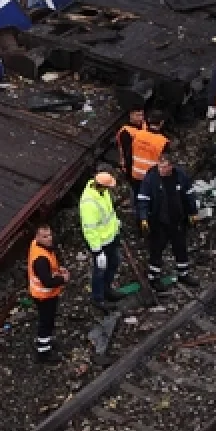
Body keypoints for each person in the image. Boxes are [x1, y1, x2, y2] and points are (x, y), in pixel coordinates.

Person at [136, 152, 200, 289]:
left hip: (177, 220)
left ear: (171, 166)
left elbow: (189, 194)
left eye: (164, 167)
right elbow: (143, 199)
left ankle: (183, 274)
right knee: (157, 249)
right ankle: (153, 278)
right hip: (159, 222)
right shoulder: (151, 179)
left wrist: (193, 212)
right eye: (160, 166)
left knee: (180, 248)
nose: (162, 170)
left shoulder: (180, 176)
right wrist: (143, 218)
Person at [80, 171, 123, 312]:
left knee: (114, 263)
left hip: (110, 238)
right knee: (100, 271)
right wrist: (98, 252)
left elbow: (108, 213)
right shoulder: (89, 204)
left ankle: (107, 289)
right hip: (100, 244)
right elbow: (90, 230)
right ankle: (98, 298)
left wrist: (115, 224)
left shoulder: (102, 194)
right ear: (102, 186)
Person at [27, 224, 69, 363]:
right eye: (45, 237)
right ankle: (43, 352)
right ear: (37, 237)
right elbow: (47, 282)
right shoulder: (41, 259)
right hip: (44, 296)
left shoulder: (37, 246)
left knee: (48, 321)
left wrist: (57, 270)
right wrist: (63, 278)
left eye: (49, 235)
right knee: (46, 322)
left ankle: (47, 343)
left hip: (42, 294)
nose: (49, 239)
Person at [128, 111, 169, 219]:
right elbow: (165, 163)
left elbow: (129, 155)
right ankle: (150, 220)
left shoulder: (137, 134)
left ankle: (139, 219)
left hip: (136, 174)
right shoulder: (163, 141)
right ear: (161, 123)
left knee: (138, 199)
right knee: (151, 201)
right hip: (151, 178)